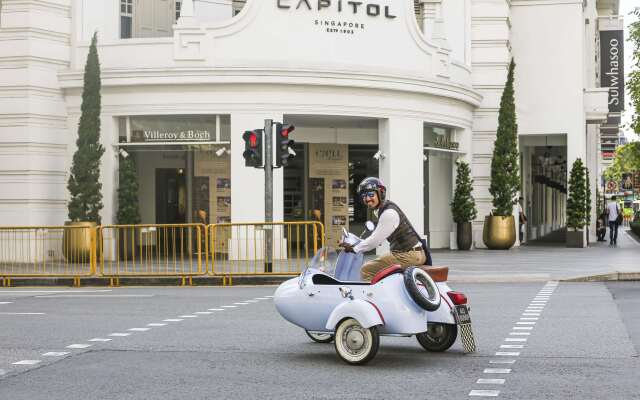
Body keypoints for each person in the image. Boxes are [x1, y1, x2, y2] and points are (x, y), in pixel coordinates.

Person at [340, 177, 430, 282]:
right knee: (379, 262)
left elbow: (374, 241)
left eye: (370, 194)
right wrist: (359, 244)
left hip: (408, 255)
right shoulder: (384, 209)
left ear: (381, 193)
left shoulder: (388, 213)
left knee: (367, 269)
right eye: (364, 196)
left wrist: (354, 249)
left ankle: (371, 297)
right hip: (408, 253)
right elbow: (377, 238)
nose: (367, 199)